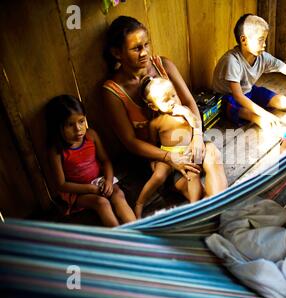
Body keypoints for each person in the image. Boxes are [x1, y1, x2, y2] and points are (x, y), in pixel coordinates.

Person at [102, 16, 228, 209]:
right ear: (117, 53)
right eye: (136, 48)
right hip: (161, 162)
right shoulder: (113, 92)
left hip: (189, 139)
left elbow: (189, 103)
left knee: (212, 155)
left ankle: (220, 207)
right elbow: (130, 142)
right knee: (198, 193)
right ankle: (211, 212)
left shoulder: (163, 66)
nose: (144, 52)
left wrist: (197, 136)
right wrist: (169, 158)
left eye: (146, 45)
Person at [212, 14, 286, 130]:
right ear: (244, 40)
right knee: (236, 108)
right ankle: (257, 119)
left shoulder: (262, 58)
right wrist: (265, 115)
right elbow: (238, 96)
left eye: (265, 40)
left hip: (248, 91)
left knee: (275, 98)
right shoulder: (232, 61)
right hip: (227, 98)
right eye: (261, 40)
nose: (264, 45)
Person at [45, 95, 136, 227]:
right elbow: (61, 184)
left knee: (118, 194)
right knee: (102, 203)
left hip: (98, 181)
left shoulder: (91, 136)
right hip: (76, 191)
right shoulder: (57, 150)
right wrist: (90, 189)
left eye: (81, 121)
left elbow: (105, 161)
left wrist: (109, 181)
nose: (78, 129)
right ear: (58, 126)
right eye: (70, 125)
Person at [134, 76, 205, 217]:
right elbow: (153, 144)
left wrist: (186, 113)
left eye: (174, 95)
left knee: (193, 174)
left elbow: (196, 124)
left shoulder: (185, 112)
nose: (173, 101)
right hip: (167, 155)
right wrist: (153, 161)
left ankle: (195, 206)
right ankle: (139, 203)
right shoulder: (156, 123)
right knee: (158, 176)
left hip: (187, 152)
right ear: (154, 106)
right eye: (166, 100)